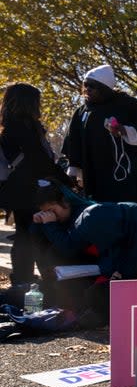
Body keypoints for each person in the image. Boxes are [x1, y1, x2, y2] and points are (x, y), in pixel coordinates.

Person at [33, 180, 137, 323]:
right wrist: (42, 224)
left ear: (65, 202)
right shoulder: (92, 216)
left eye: (51, 211)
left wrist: (120, 273)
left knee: (97, 294)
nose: (49, 215)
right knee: (89, 290)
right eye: (44, 212)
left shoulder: (96, 217)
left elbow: (132, 259)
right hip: (116, 264)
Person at [0, 84, 69, 288]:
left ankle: (22, 281)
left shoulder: (10, 125)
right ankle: (42, 283)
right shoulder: (24, 126)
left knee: (24, 235)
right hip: (30, 188)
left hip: (17, 189)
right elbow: (38, 159)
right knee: (35, 235)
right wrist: (63, 179)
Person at [61, 64, 137, 205]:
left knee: (131, 210)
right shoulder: (82, 111)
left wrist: (125, 130)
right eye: (86, 85)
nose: (87, 89)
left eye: (92, 86)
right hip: (95, 172)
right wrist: (75, 170)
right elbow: (73, 141)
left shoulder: (128, 104)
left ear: (104, 88)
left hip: (128, 172)